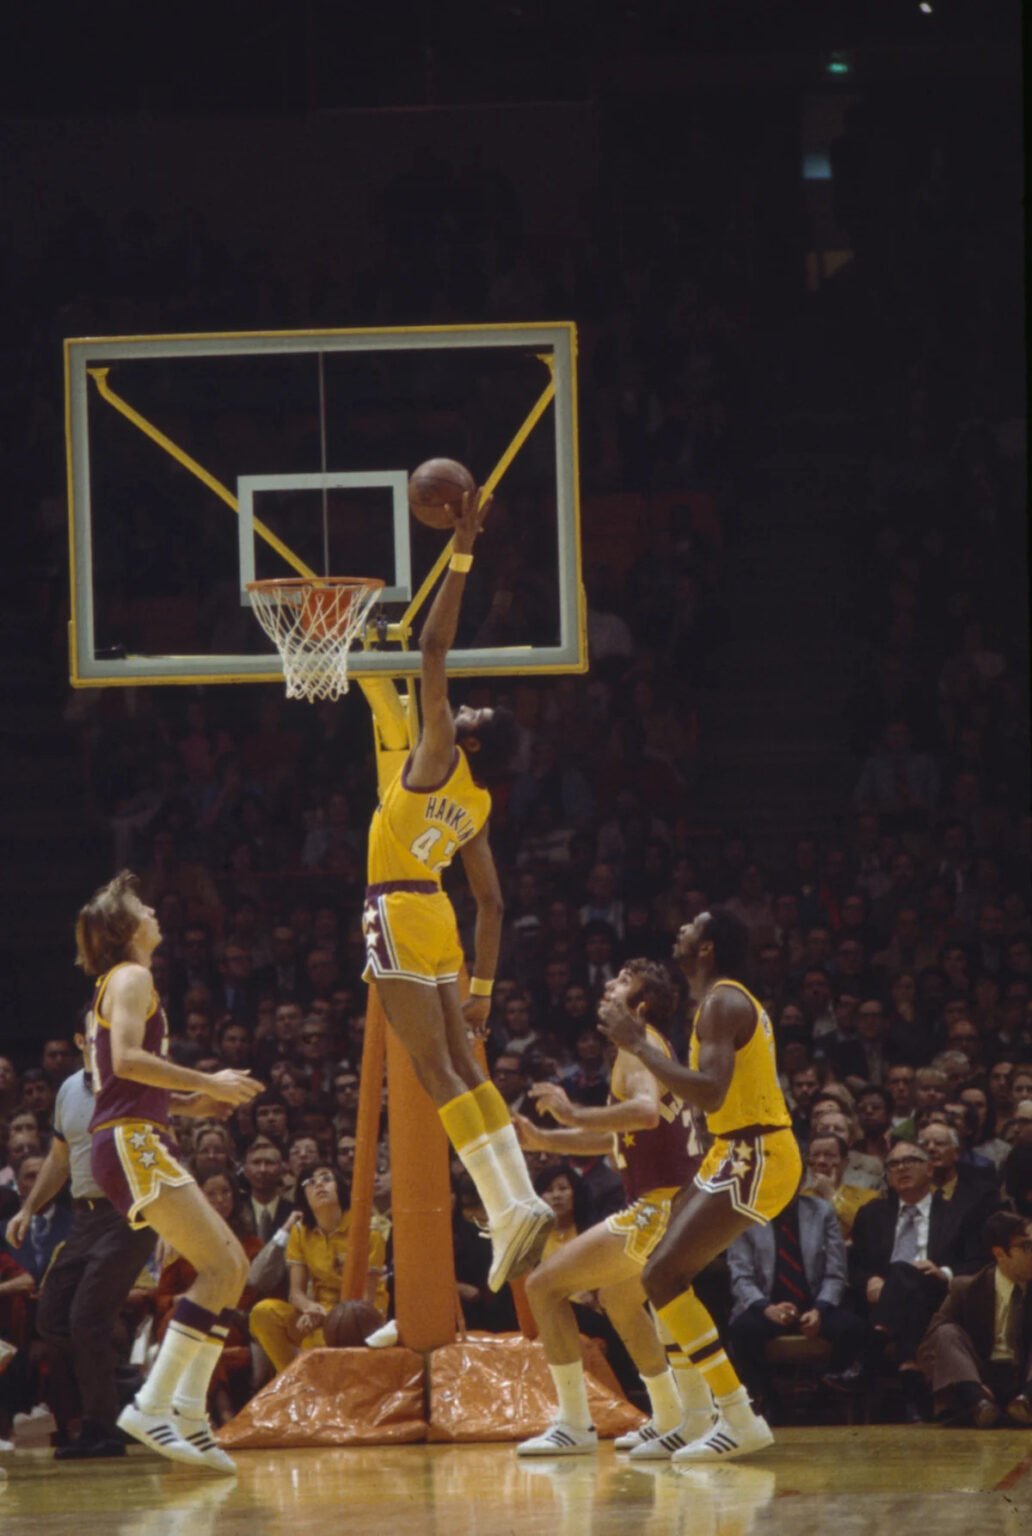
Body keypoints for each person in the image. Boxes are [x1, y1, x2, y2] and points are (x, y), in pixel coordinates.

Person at [360, 489, 552, 1291]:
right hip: (439, 913)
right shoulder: (477, 803)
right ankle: (519, 1201)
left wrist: (463, 552)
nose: (463, 706)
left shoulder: (439, 752)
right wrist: (483, 990)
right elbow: (494, 903)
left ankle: (505, 1210)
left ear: (467, 739)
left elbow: (433, 648)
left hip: (398, 904)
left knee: (434, 1068)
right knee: (468, 1070)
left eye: (472, 712)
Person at [76, 869, 264, 1471]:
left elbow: (113, 1080)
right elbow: (129, 1062)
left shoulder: (116, 984)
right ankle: (154, 1402)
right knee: (221, 1267)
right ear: (126, 927)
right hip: (130, 1141)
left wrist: (186, 1104)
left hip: (135, 1133)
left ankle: (186, 1409)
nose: (153, 911)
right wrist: (207, 1081)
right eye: (143, 907)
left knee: (231, 1268)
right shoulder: (132, 977)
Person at [599, 908, 802, 1462]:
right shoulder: (714, 1002)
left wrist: (640, 1045)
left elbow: (710, 1092)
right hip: (732, 1149)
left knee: (662, 1273)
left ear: (707, 947)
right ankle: (694, 1418)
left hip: (756, 1150)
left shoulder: (723, 1001)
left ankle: (737, 1415)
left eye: (692, 925)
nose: (681, 928)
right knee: (661, 1273)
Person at [511, 962, 707, 1457]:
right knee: (620, 1300)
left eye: (622, 981)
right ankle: (669, 1415)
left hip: (658, 1208)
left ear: (641, 1005)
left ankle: (574, 1424)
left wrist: (571, 1112)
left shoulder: (636, 1050)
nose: (607, 985)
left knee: (542, 1286)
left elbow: (642, 1112)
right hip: (678, 1206)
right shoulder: (652, 1048)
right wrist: (547, 1138)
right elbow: (619, 1137)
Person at [3, 1038, 158, 1458]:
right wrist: (29, 1209)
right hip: (84, 1215)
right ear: (80, 1039)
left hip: (129, 1213)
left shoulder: (136, 1079)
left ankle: (101, 1430)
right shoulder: (68, 1089)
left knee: (87, 1320)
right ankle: (139, 1394)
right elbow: (59, 1159)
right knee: (53, 1317)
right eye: (96, 1028)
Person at [248, 1165, 388, 1371]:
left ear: (340, 1188)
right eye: (310, 1182)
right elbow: (296, 1293)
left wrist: (324, 1316)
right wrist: (309, 1308)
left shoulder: (367, 1230)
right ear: (303, 1196)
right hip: (320, 1311)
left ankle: (305, 1378)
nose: (319, 1184)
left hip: (360, 1316)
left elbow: (366, 1299)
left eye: (326, 1179)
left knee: (314, 1342)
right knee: (264, 1313)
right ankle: (289, 1377)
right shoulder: (300, 1232)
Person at [916, 1210, 1032, 1427]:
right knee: (945, 1332)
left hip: (1023, 1378)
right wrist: (967, 1384)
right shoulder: (967, 1288)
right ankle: (977, 1403)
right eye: (1027, 1247)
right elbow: (928, 1347)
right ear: (1000, 1254)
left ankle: (1026, 1403)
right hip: (979, 1378)